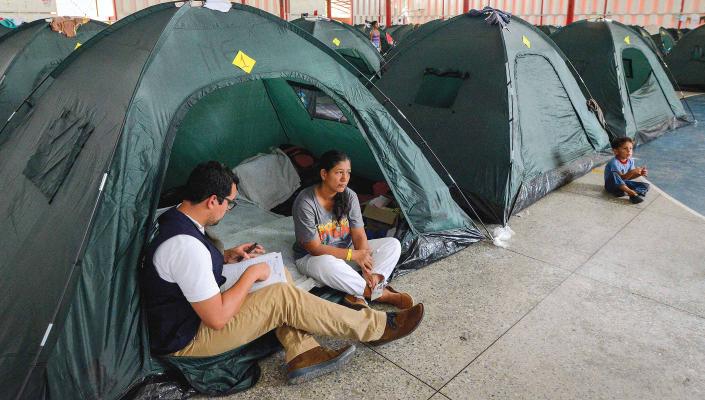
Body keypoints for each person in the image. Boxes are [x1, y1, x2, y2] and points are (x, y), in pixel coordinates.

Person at [141, 161, 425, 385]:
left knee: (281, 277)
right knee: (279, 295)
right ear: (212, 200)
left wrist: (226, 257)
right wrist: (250, 275)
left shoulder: (177, 218)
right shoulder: (186, 246)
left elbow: (187, 271)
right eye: (230, 202)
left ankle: (302, 352)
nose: (229, 209)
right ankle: (377, 327)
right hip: (187, 340)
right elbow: (217, 318)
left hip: (187, 315)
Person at [292, 150, 413, 311]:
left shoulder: (349, 196)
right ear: (324, 174)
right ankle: (382, 295)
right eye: (339, 173)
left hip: (346, 251)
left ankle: (361, 291)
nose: (345, 178)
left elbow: (358, 234)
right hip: (313, 257)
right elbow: (314, 248)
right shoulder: (306, 202)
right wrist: (354, 255)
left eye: (348, 173)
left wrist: (367, 267)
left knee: (392, 245)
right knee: (327, 263)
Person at [604, 137, 649, 204]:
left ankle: (627, 192)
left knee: (645, 186)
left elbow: (629, 177)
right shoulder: (614, 163)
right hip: (612, 186)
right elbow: (622, 178)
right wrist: (633, 171)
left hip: (623, 185)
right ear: (616, 151)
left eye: (631, 148)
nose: (629, 151)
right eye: (625, 148)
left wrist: (639, 174)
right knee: (614, 174)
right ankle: (630, 192)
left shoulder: (630, 160)